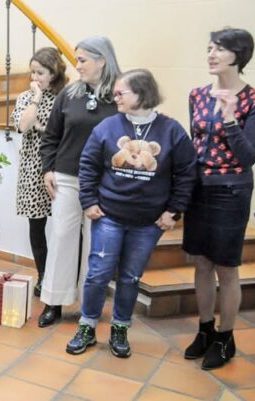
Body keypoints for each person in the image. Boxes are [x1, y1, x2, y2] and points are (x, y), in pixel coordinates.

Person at [68, 69, 196, 357]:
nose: (115, 97)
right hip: (108, 216)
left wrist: (174, 211)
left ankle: (120, 329)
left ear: (141, 93)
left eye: (120, 92)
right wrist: (88, 201)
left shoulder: (171, 130)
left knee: (129, 278)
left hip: (148, 222)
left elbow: (187, 173)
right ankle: (87, 326)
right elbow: (88, 165)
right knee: (98, 274)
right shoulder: (106, 127)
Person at [182, 28, 255, 370]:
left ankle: (226, 336)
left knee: (226, 268)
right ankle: (205, 329)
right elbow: (196, 144)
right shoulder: (197, 95)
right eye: (209, 48)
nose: (211, 54)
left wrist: (230, 118)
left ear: (238, 54)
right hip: (200, 189)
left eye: (219, 49)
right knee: (200, 262)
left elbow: (248, 156)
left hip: (231, 191)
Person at [37, 36, 121, 327]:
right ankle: (53, 302)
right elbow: (51, 137)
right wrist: (48, 169)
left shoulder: (119, 97)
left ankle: (90, 306)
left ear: (102, 60)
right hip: (66, 177)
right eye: (77, 59)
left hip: (104, 183)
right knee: (60, 237)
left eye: (83, 59)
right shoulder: (69, 94)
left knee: (95, 246)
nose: (77, 65)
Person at [11, 47, 68, 297]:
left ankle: (63, 277)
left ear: (54, 73)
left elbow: (67, 134)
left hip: (60, 166)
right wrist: (35, 97)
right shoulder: (26, 97)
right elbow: (23, 126)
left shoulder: (66, 97)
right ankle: (43, 275)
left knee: (65, 225)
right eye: (32, 72)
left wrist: (42, 127)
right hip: (32, 169)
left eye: (41, 73)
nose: (35, 78)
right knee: (37, 225)